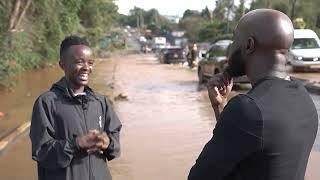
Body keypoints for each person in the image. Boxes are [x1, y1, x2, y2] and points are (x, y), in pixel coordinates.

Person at [188, 9, 318, 180]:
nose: (231, 47)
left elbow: (199, 177)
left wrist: (230, 113)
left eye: (235, 40)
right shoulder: (304, 97)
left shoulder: (247, 109)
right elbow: (257, 148)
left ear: (249, 45)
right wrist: (220, 108)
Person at [30, 36, 122, 180]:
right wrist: (77, 143)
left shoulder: (100, 102)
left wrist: (107, 142)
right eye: (79, 62)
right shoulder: (47, 103)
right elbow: (41, 152)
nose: (86, 67)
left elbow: (115, 144)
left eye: (90, 62)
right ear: (62, 65)